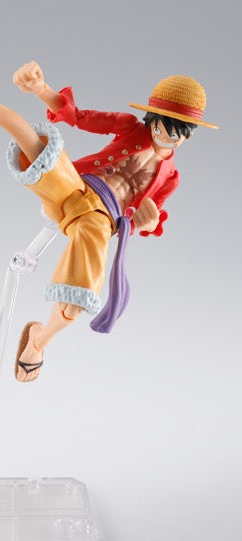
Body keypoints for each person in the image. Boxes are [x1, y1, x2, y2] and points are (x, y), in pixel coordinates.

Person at [11, 61, 218, 382]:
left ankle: (39, 340)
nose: (168, 137)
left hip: (101, 219)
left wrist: (147, 223)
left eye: (178, 133)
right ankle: (19, 139)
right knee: (41, 154)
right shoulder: (129, 126)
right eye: (162, 128)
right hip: (77, 185)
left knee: (74, 304)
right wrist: (42, 89)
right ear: (152, 120)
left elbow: (150, 220)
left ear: (188, 135)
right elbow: (78, 117)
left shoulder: (170, 177)